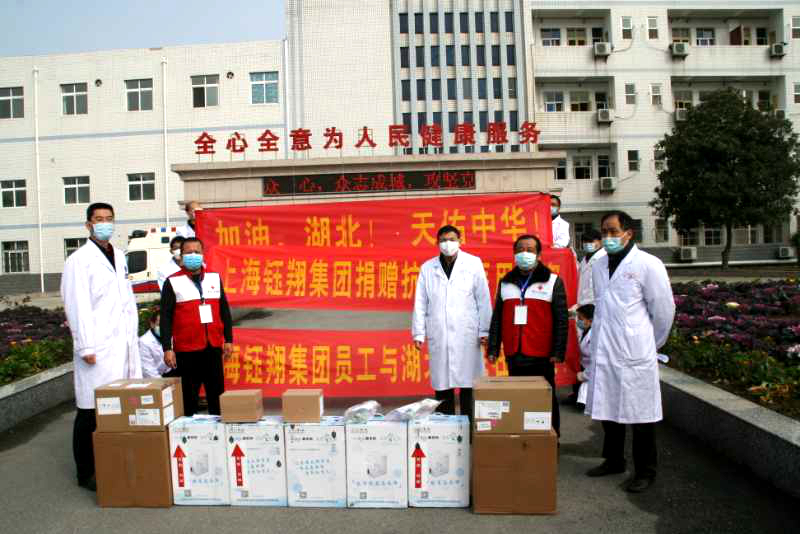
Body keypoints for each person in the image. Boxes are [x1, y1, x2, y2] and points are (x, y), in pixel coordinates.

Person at [585, 210, 675, 493]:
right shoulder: (599, 264)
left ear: (628, 233)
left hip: (635, 351)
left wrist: (650, 343)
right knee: (607, 408)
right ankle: (614, 460)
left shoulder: (648, 264)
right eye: (604, 232)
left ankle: (645, 471)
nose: (608, 237)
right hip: (606, 347)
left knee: (640, 414)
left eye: (613, 231)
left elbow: (663, 310)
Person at [61, 202, 141, 491]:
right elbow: (77, 305)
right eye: (98, 219)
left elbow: (126, 299)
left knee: (117, 407)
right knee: (90, 410)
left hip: (122, 343)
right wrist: (85, 347)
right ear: (88, 225)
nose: (105, 223)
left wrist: (133, 335)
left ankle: (113, 463)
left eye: (109, 218)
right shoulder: (79, 260)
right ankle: (85, 472)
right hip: (97, 347)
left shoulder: (118, 256)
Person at [487, 234, 568, 436]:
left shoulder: (553, 281)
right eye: (520, 250)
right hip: (514, 352)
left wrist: (558, 351)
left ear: (539, 255)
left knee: (545, 399)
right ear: (514, 254)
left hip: (542, 353)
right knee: (518, 398)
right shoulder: (505, 283)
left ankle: (551, 439)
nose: (525, 254)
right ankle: (523, 439)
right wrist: (493, 348)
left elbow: (561, 320)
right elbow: (497, 318)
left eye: (530, 250)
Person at [412, 225, 492, 421]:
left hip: (467, 333)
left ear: (460, 241)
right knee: (442, 386)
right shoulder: (428, 268)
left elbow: (483, 298)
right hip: (440, 332)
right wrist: (418, 333)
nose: (448, 244)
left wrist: (485, 330)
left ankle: (469, 430)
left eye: (452, 239)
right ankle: (446, 430)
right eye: (443, 240)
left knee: (468, 385)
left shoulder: (473, 263)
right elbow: (421, 302)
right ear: (437, 243)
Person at [160, 237, 233, 416]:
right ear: (181, 256)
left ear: (202, 254)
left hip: (212, 347)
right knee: (189, 400)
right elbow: (166, 318)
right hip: (187, 350)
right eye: (188, 252)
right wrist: (167, 348)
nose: (193, 255)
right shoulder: (172, 282)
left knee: (216, 396)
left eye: (197, 252)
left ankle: (217, 429)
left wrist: (229, 339)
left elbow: (224, 310)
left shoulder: (214, 277)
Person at [139, 306, 178, 379]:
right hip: (154, 378)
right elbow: (149, 371)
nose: (164, 328)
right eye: (160, 325)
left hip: (170, 373)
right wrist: (165, 384)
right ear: (152, 324)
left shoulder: (171, 336)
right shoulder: (144, 342)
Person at [577, 229, 606, 307]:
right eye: (585, 242)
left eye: (591, 241)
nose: (587, 244)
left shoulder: (604, 258)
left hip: (596, 304)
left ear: (600, 242)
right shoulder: (584, 260)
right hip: (582, 302)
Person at [574, 303, 595, 411]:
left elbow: (596, 362)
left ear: (590, 320)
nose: (578, 321)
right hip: (584, 366)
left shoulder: (595, 335)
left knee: (586, 383)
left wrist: (584, 375)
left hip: (592, 369)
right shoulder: (585, 331)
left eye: (581, 318)